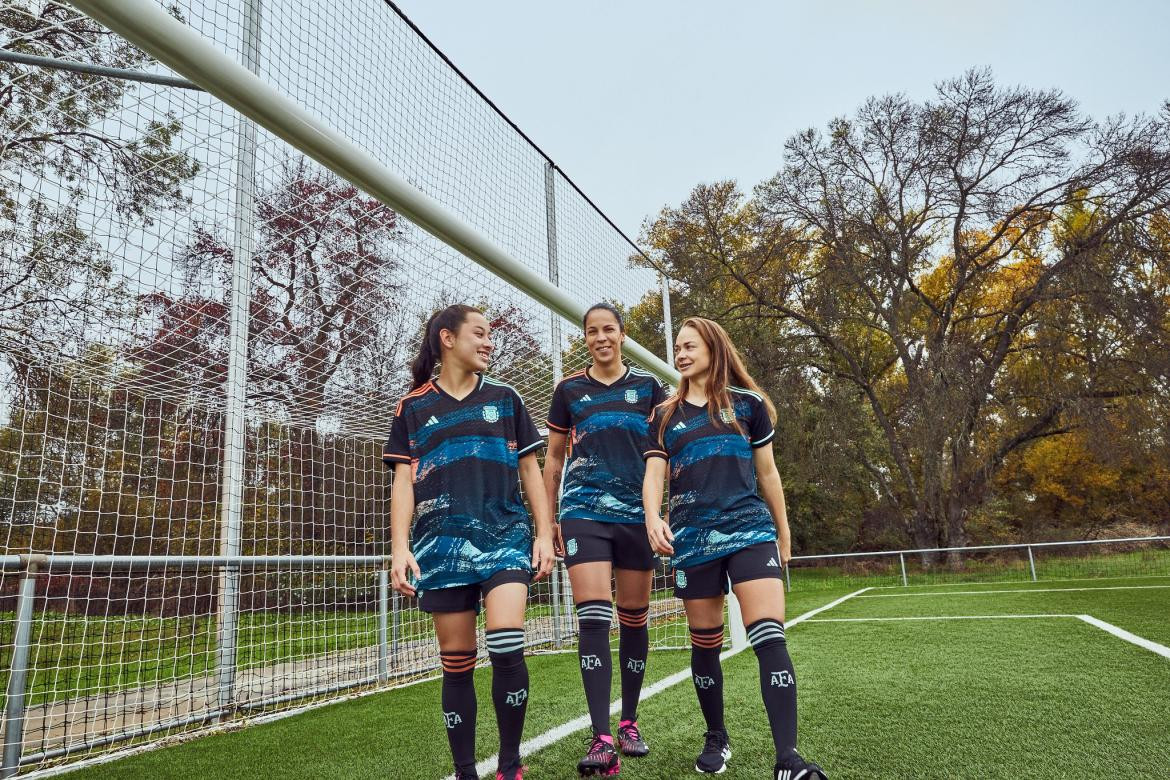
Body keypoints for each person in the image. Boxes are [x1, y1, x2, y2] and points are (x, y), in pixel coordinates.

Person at [641, 316, 827, 780]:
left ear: (713, 348)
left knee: (769, 635)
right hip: (693, 540)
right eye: (677, 348)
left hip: (750, 530)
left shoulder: (749, 405)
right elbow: (653, 477)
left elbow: (768, 474)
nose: (680, 354)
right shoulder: (663, 415)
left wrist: (782, 532)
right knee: (705, 643)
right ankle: (717, 736)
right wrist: (651, 518)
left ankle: (788, 759)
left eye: (689, 346)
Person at [384, 304, 556, 780]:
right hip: (440, 547)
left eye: (490, 335)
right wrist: (400, 547)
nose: (488, 342)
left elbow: (530, 470)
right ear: (447, 338)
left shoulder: (505, 399)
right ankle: (465, 772)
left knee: (505, 643)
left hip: (503, 535)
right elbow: (403, 482)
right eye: (479, 333)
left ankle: (509, 766)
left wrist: (544, 533)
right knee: (457, 662)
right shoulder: (413, 407)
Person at [542, 302, 668, 777]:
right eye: (592, 331)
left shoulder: (649, 389)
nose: (600, 337)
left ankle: (629, 722)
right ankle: (600, 736)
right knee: (593, 618)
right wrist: (551, 518)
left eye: (608, 330)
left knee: (634, 617)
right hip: (583, 513)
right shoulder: (569, 390)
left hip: (637, 517)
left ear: (622, 334)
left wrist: (658, 513)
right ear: (585, 338)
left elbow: (662, 455)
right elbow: (553, 460)